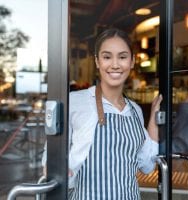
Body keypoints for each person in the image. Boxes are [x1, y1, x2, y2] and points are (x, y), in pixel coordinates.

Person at [43, 28, 162, 200]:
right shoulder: (75, 102)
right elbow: (52, 158)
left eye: (122, 57)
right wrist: (55, 168)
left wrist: (153, 118)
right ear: (97, 62)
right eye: (107, 57)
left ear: (132, 61)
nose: (115, 64)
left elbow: (147, 165)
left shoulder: (135, 110)